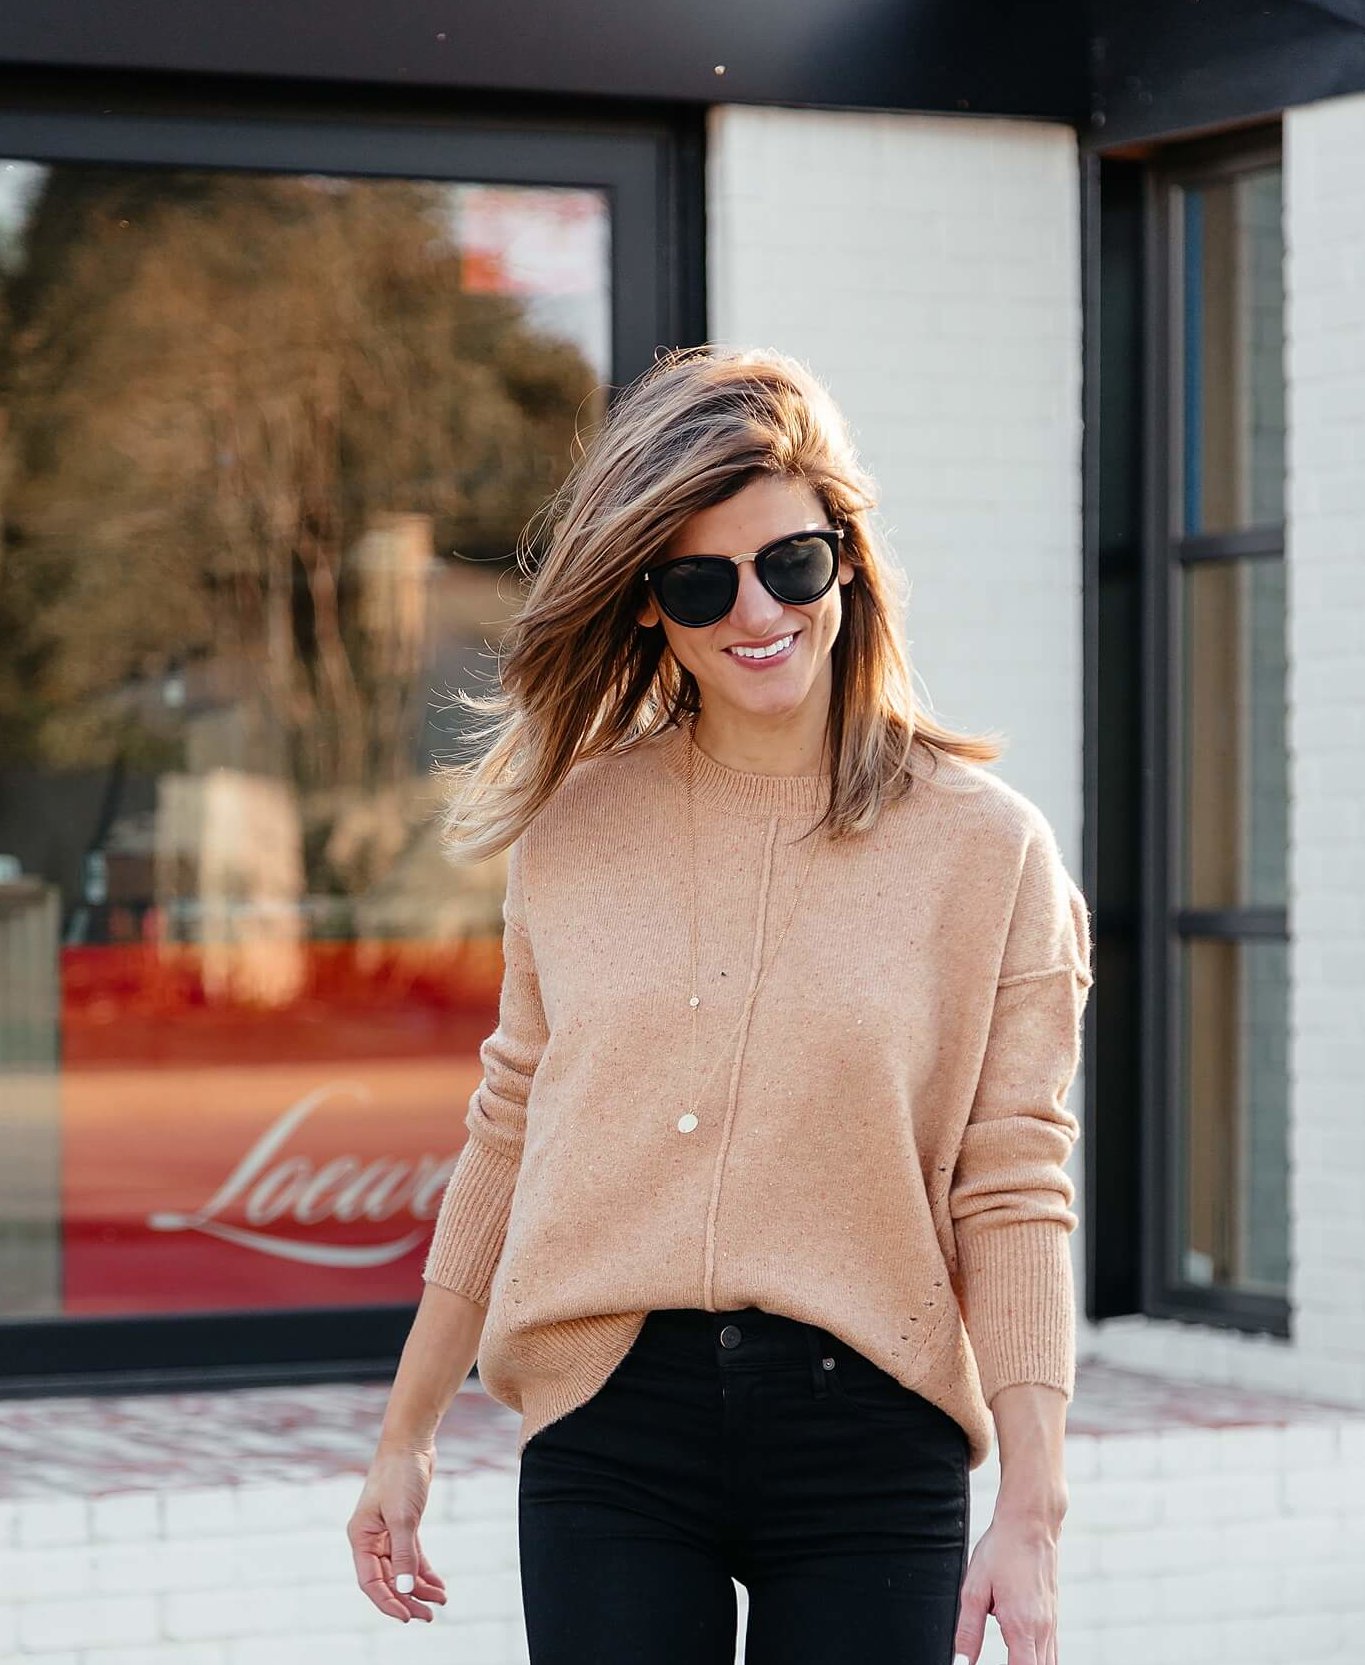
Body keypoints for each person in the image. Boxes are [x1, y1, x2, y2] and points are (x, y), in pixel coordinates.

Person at [347, 344, 1093, 1665]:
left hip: (869, 1430)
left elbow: (1013, 1184)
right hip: (610, 1425)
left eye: (788, 562)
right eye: (700, 581)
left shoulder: (988, 850)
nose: (755, 608)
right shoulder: (576, 828)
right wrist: (403, 1435)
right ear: (648, 608)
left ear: (845, 562)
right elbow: (509, 1129)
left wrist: (1029, 1509)